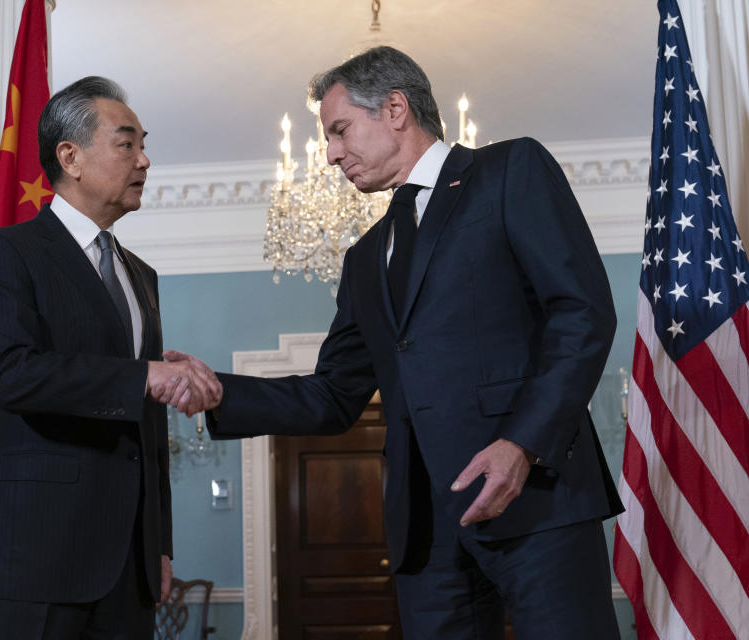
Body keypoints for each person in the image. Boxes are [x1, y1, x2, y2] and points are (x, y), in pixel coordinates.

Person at [189, 47, 623, 639]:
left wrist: (521, 444)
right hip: (426, 532)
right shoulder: (365, 258)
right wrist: (215, 392)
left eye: (340, 130)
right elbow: (332, 396)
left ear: (395, 108)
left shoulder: (507, 171)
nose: (333, 154)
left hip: (537, 501)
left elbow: (582, 312)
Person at [0, 76, 222, 640]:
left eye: (143, 144)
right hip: (33, 559)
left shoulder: (141, 277)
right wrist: (144, 375)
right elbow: (13, 374)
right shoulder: (2, 253)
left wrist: (161, 545)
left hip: (131, 570)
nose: (145, 160)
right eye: (127, 144)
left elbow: (146, 428)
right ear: (70, 157)